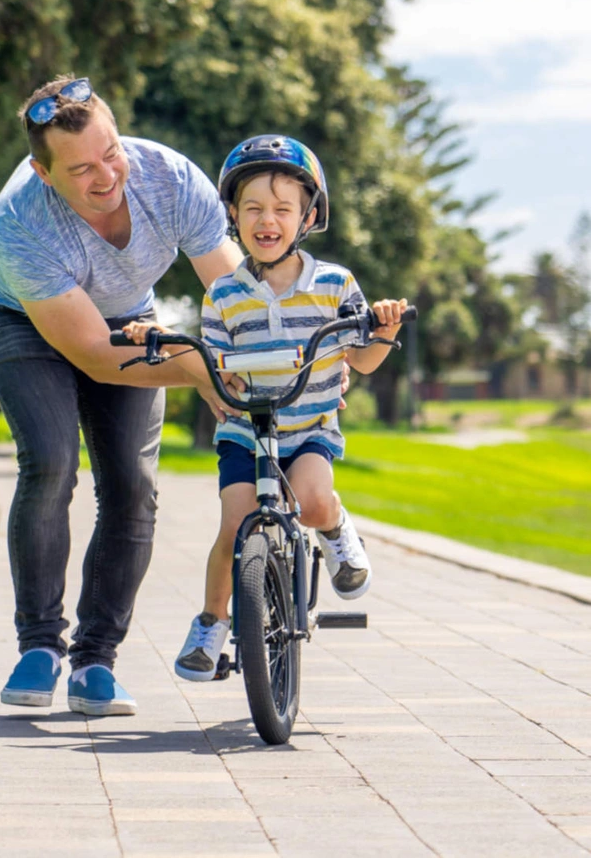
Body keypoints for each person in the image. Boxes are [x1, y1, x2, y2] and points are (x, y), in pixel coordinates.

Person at [0, 75, 242, 714]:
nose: (107, 176)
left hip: (128, 314)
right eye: (81, 169)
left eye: (112, 152)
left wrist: (272, 357)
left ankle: (95, 660)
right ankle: (40, 646)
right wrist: (199, 371)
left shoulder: (170, 179)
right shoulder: (20, 223)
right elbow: (94, 355)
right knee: (51, 463)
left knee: (132, 487)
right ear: (43, 173)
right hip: (24, 319)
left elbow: (236, 295)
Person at [121, 135, 407, 682]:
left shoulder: (335, 284)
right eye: (252, 208)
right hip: (245, 432)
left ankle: (336, 530)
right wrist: (160, 336)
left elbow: (363, 360)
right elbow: (213, 364)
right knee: (234, 524)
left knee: (314, 502)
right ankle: (211, 622)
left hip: (309, 428)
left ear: (308, 216)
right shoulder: (223, 294)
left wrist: (385, 328)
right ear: (233, 215)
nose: (266, 219)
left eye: (282, 208)